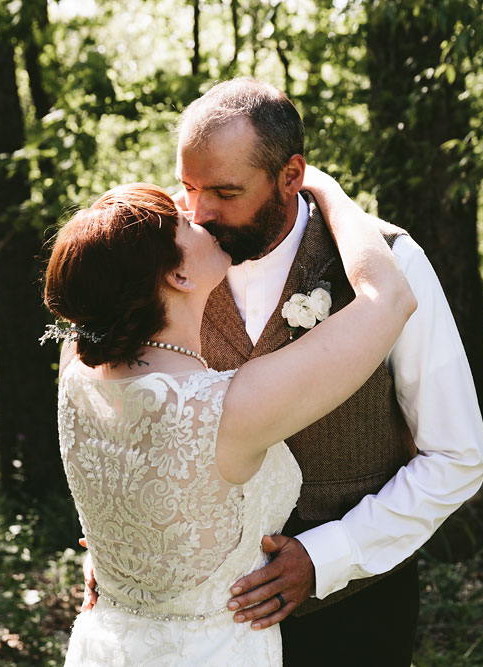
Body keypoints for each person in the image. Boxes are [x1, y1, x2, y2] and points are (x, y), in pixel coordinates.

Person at [164, 77, 483, 665]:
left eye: (225, 192)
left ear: (292, 176)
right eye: (188, 188)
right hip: (199, 621)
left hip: (355, 615)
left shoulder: (393, 263)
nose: (200, 212)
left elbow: (457, 456)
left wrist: (328, 555)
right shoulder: (162, 261)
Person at [44, 171, 416, 665]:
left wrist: (152, 223)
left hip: (107, 645)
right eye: (184, 218)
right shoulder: (227, 410)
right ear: (176, 276)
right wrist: (326, 191)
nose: (199, 213)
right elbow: (389, 299)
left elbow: (100, 269)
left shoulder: (76, 377)